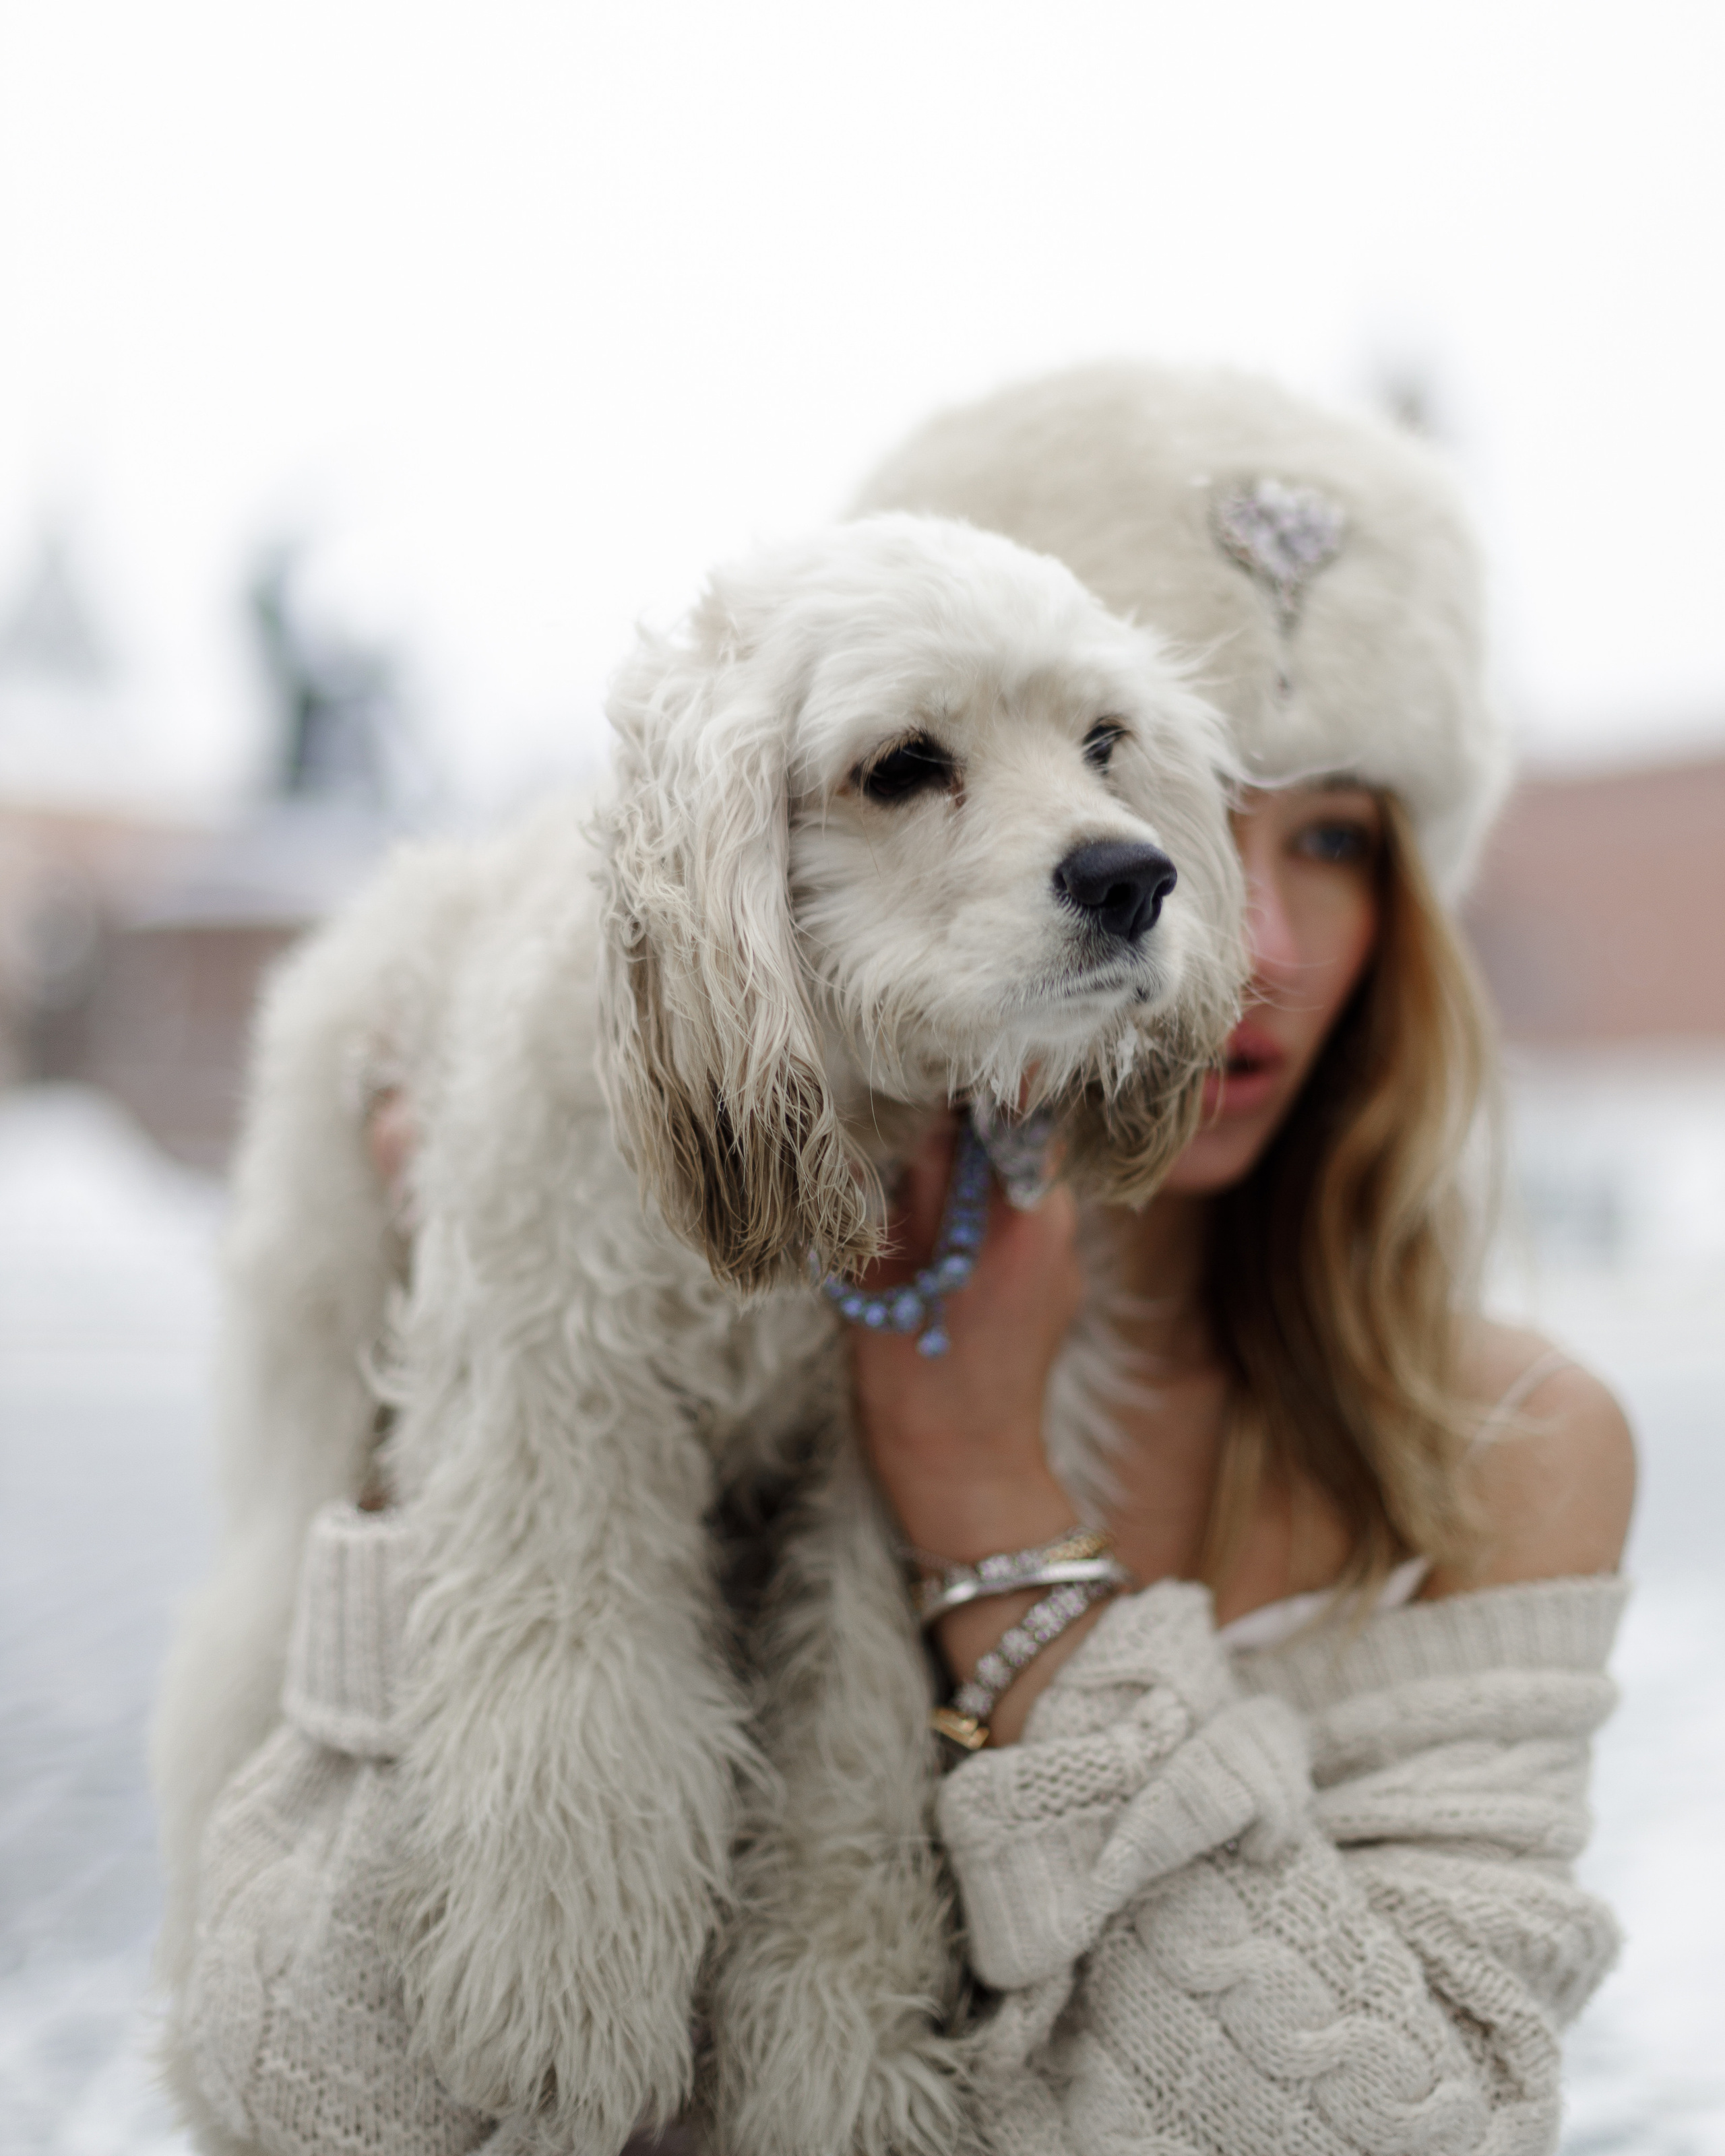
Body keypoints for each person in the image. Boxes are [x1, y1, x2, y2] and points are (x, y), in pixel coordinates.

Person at [161, 364, 1634, 2156]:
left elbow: (1407, 2132)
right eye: (918, 767)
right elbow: (308, 2102)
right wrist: (463, 1362)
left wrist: (984, 1495)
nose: (1238, 925)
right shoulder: (669, 1290)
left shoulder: (1501, 1446)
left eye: (1333, 837)